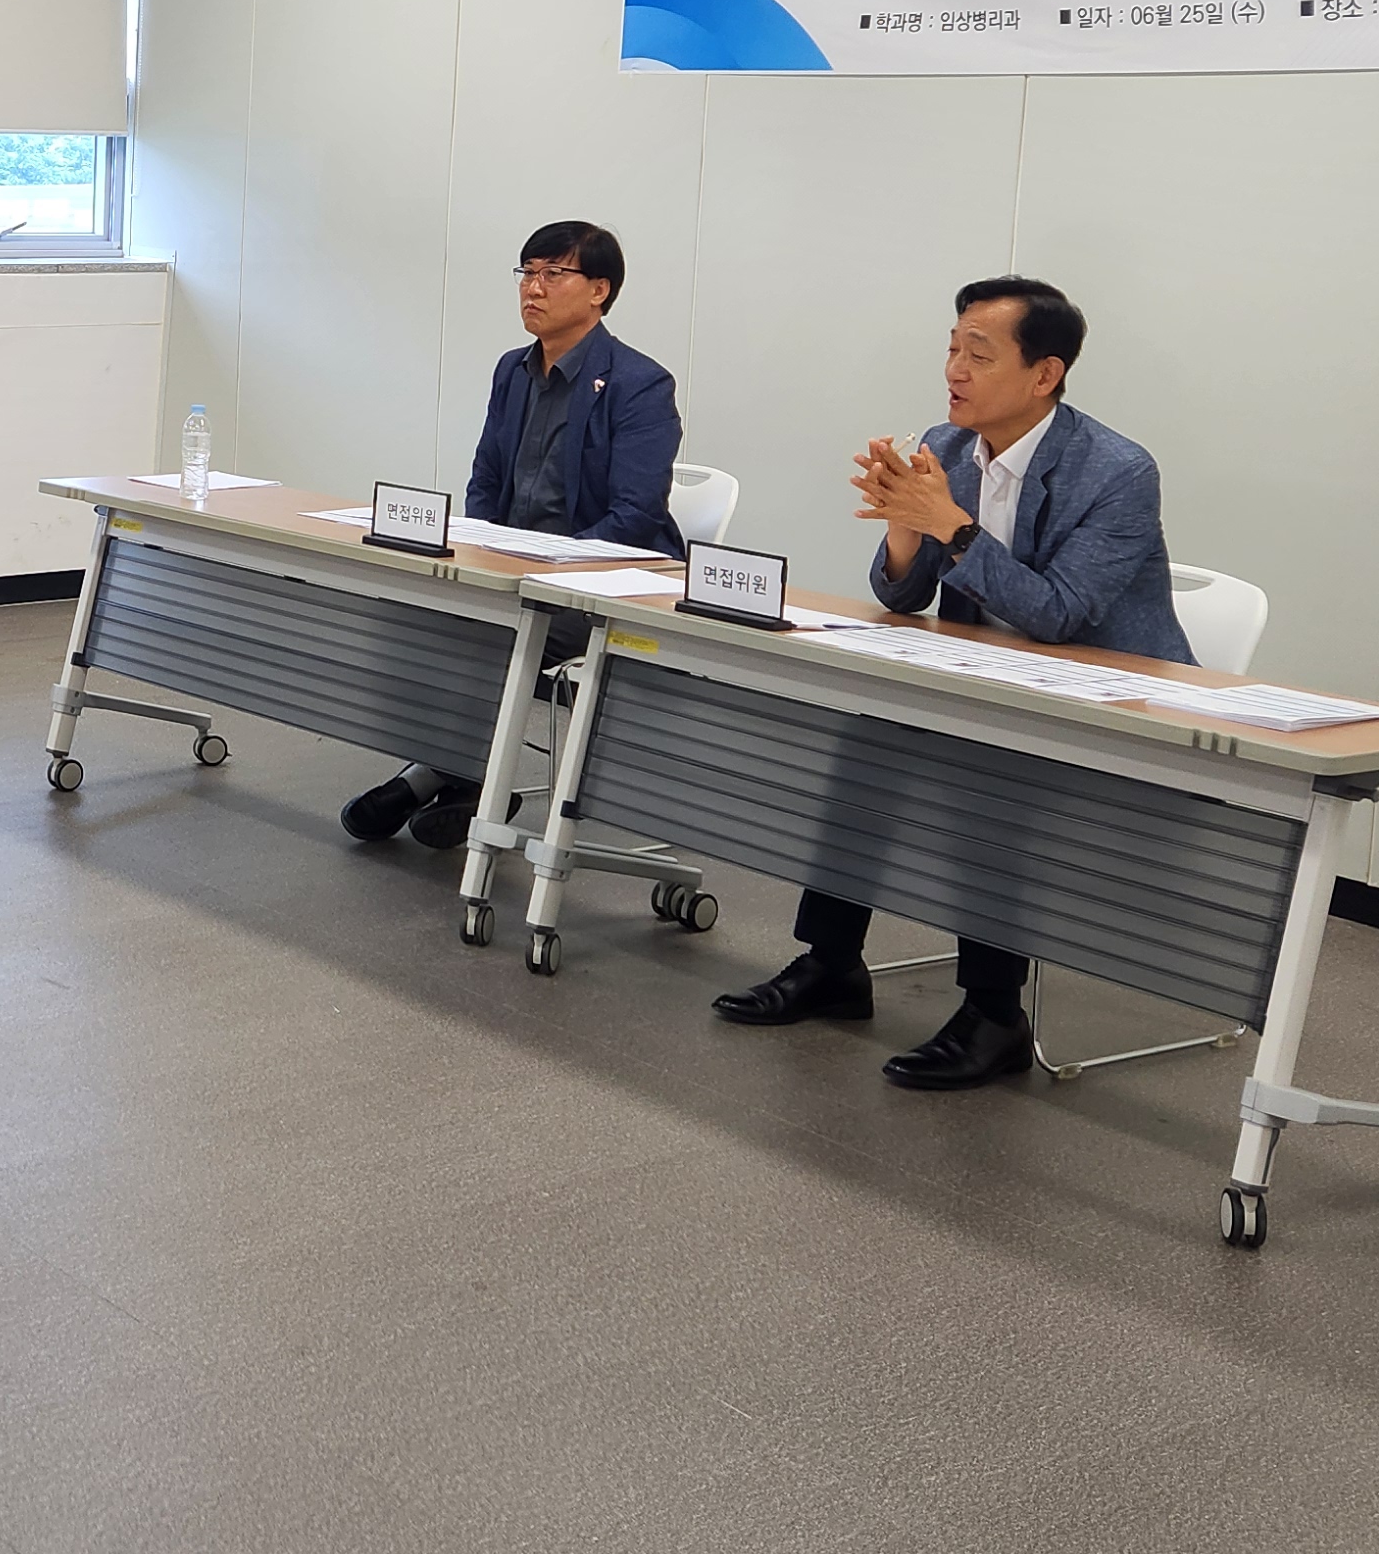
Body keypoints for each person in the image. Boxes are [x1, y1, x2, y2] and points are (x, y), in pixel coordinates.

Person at [712, 276, 1190, 1089]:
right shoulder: (948, 445)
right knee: (864, 739)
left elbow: (1059, 615)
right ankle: (832, 962)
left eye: (980, 354)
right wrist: (905, 529)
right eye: (952, 349)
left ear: (1044, 374)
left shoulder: (1116, 471)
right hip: (990, 684)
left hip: (1107, 703)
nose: (954, 370)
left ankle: (995, 1014)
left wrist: (950, 526)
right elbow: (903, 596)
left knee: (989, 773)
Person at [342, 219, 686, 852]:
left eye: (553, 273)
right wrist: (481, 555)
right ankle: (458, 778)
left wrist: (545, 570)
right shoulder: (513, 371)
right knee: (416, 611)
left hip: (600, 586)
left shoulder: (639, 384)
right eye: (527, 272)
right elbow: (486, 481)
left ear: (599, 290)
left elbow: (635, 516)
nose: (534, 287)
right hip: (513, 574)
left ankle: (436, 778)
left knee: (483, 634)